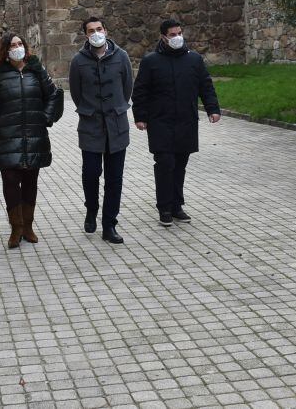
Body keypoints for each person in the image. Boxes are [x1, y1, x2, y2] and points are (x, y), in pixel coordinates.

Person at [131, 19, 221, 227]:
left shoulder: (194, 60)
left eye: (179, 33)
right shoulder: (151, 61)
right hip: (160, 122)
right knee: (165, 163)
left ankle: (176, 206)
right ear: (163, 37)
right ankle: (164, 207)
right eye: (172, 35)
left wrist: (213, 109)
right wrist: (140, 116)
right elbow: (141, 91)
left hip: (186, 121)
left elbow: (205, 85)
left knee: (180, 164)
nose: (177, 37)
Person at [0, 32, 63, 248]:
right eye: (12, 45)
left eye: (20, 44)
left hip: (34, 136)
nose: (17, 47)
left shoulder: (37, 71)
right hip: (7, 138)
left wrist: (46, 117)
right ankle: (15, 227)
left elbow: (52, 95)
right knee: (10, 182)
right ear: (5, 50)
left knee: (30, 183)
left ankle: (28, 226)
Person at [69, 16, 133, 245]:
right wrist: (90, 109)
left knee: (114, 178)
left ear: (106, 30)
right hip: (91, 126)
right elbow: (76, 93)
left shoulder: (121, 56)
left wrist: (116, 107)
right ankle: (91, 208)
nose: (96, 33)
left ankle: (109, 224)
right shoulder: (78, 61)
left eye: (99, 29)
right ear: (85, 35)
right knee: (90, 173)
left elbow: (127, 88)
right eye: (91, 30)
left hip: (116, 126)